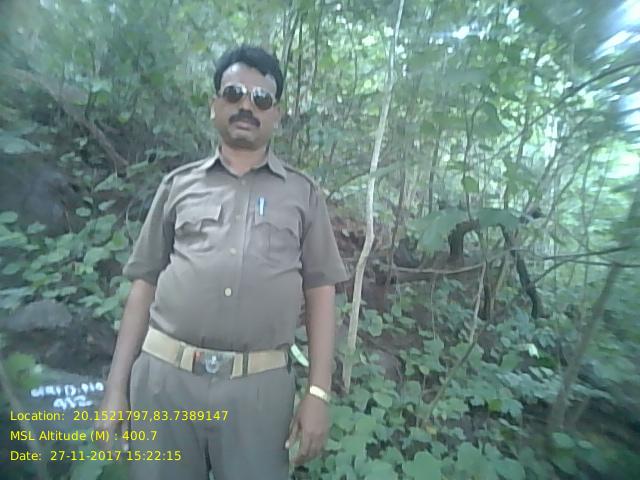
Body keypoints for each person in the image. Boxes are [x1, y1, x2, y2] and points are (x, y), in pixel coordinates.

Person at [95, 45, 348, 480]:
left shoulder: (303, 194)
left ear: (276, 114)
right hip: (164, 384)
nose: (247, 106)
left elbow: (321, 294)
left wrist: (318, 393)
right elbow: (144, 286)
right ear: (215, 105)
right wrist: (116, 388)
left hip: (259, 394)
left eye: (261, 99)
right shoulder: (178, 186)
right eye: (234, 94)